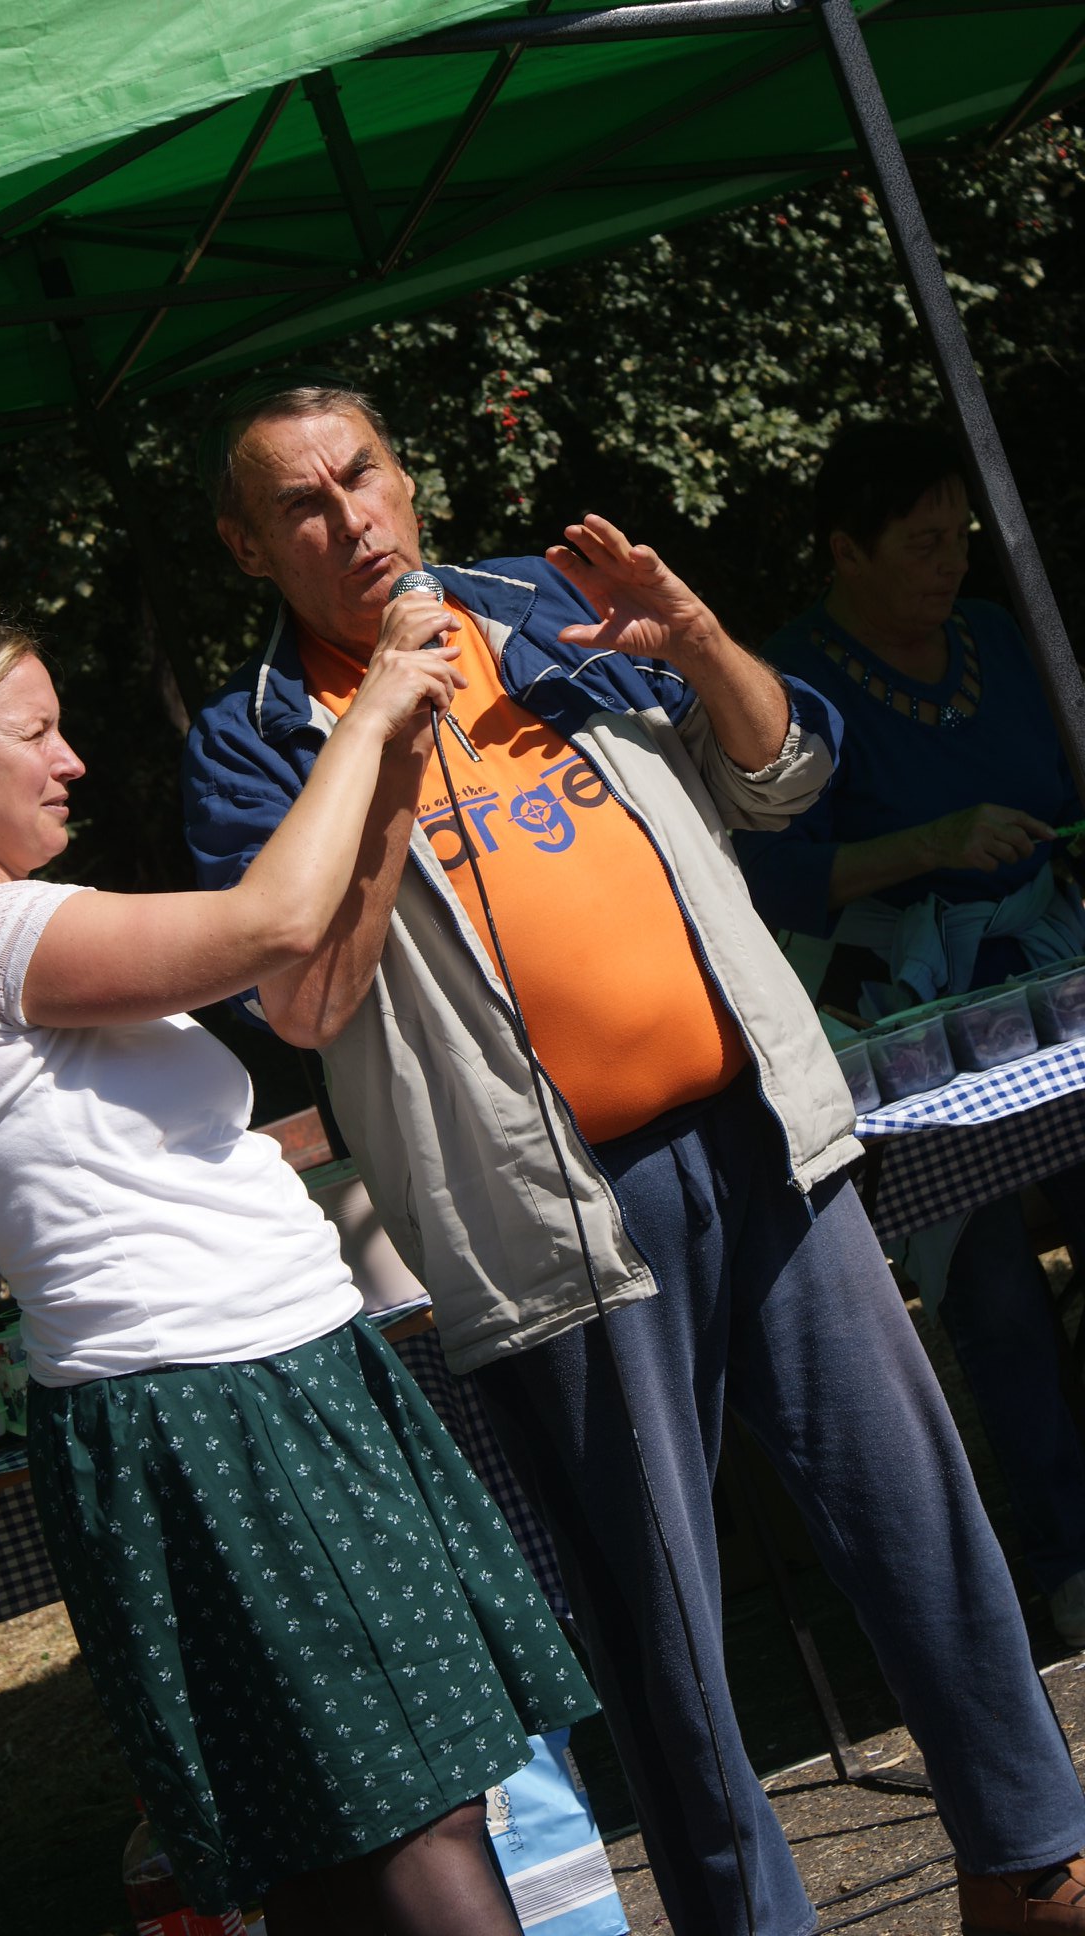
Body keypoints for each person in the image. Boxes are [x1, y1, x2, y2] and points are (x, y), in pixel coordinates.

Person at [181, 372, 1085, 1936]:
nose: (351, 519)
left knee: (917, 1516)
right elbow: (304, 994)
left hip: (762, 1137)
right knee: (665, 1631)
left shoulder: (545, 609)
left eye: (363, 475)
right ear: (248, 547)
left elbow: (787, 779)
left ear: (406, 474)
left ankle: (1032, 1860)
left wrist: (702, 638)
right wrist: (383, 727)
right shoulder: (256, 741)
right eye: (302, 507)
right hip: (549, 1221)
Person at [0, 603, 597, 1936]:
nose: (70, 761)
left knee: (341, 1833)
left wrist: (392, 768)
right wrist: (360, 718)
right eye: (36, 732)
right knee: (410, 1815)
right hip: (217, 1400)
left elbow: (305, 996)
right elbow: (272, 923)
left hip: (243, 1382)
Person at [733, 421, 1085, 1647]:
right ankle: (1069, 1556)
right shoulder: (789, 684)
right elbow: (771, 878)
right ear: (847, 550)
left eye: (958, 537)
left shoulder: (994, 634)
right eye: (922, 543)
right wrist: (930, 844)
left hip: (1054, 982)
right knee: (991, 1293)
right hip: (909, 1024)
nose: (950, 562)